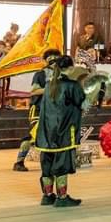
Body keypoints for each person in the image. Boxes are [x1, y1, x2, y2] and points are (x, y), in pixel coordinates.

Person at [33, 55, 84, 207]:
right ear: (71, 68)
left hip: (46, 132)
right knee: (62, 164)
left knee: (47, 165)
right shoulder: (72, 85)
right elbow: (82, 103)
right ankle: (62, 198)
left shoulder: (49, 84)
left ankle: (47, 196)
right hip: (64, 131)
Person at [13, 49, 62, 171]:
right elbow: (34, 91)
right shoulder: (40, 74)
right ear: (46, 61)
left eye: (56, 59)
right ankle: (19, 162)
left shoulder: (63, 75)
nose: (54, 62)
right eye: (51, 59)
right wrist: (51, 89)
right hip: (39, 109)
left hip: (55, 110)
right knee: (32, 136)